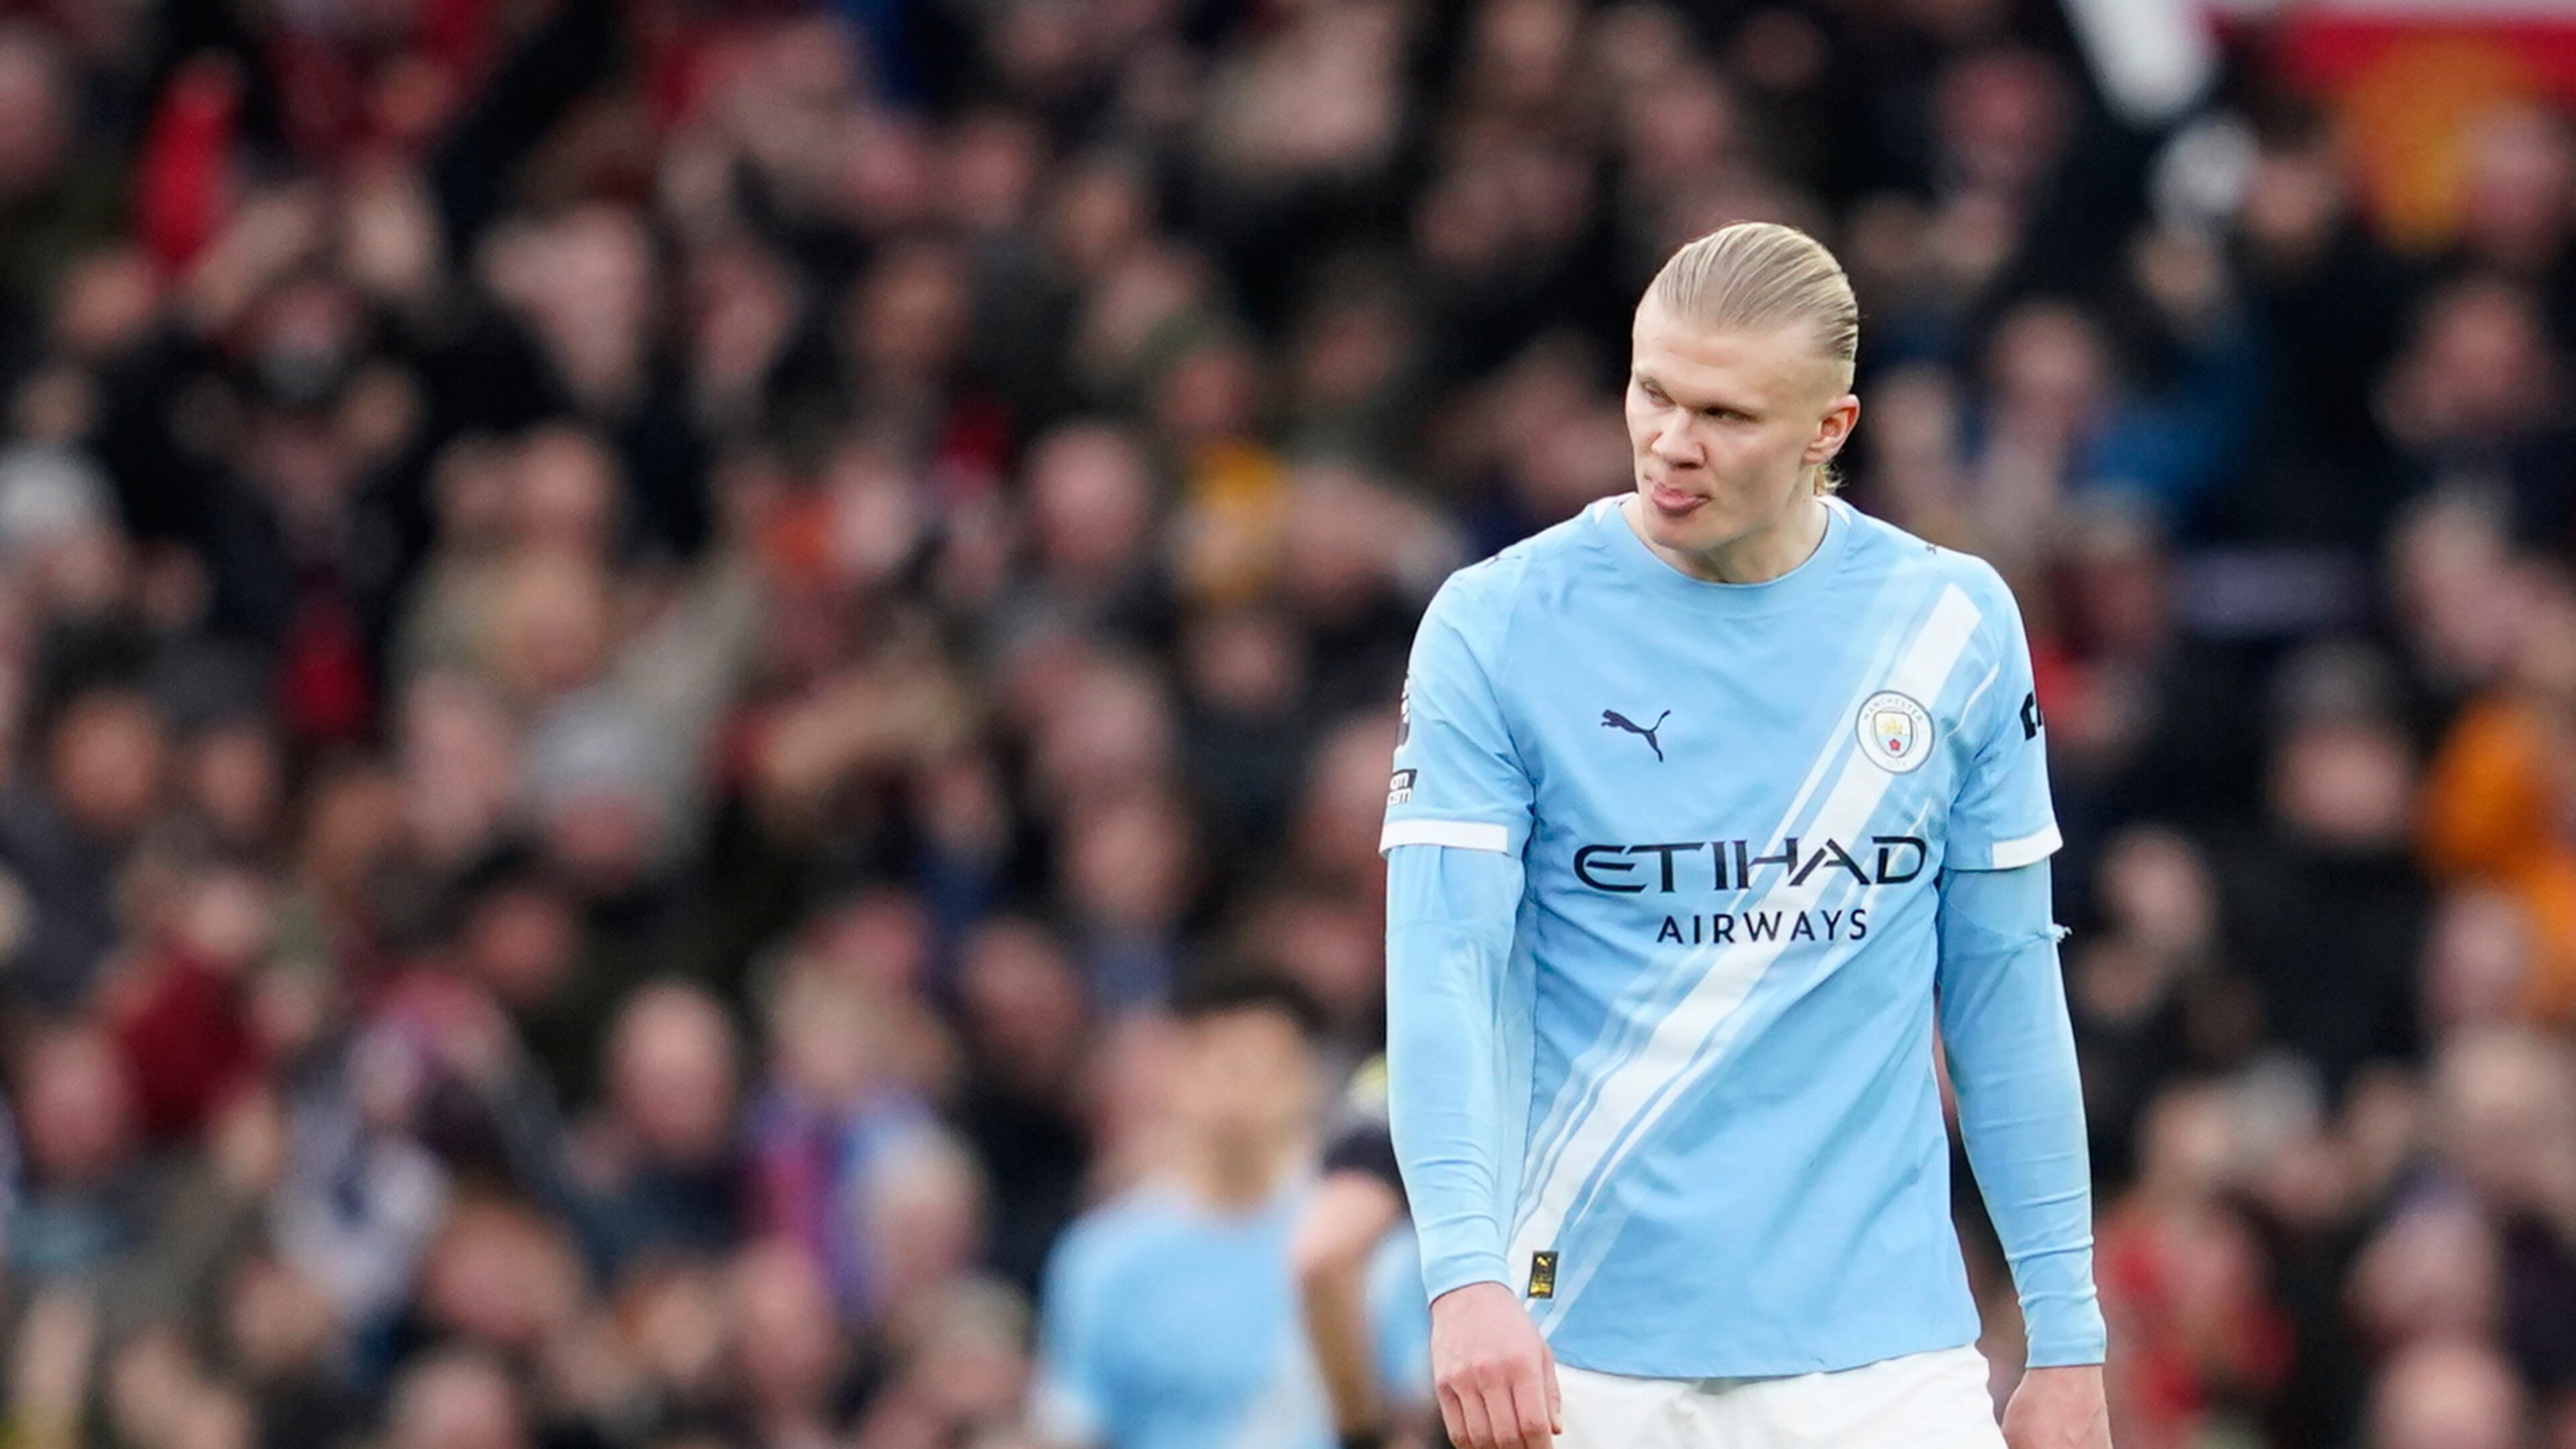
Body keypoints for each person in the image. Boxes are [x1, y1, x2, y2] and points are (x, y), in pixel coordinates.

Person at [1381, 222, 2110, 1449]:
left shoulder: (1950, 624)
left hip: (1890, 1367)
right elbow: (1442, 967)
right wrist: (1463, 1275)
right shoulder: (1496, 622)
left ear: (1830, 429)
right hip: (1586, 1355)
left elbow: (2005, 988)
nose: (1671, 444)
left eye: (1725, 415)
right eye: (1652, 392)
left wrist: (2068, 1336)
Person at [1030, 975, 1425, 1449]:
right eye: (1215, 1062)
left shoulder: (1369, 1248)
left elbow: (1412, 1416)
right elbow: (1069, 1427)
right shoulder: (1100, 1258)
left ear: (1306, 1081)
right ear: (1173, 1073)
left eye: (1260, 1068)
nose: (1235, 1090)